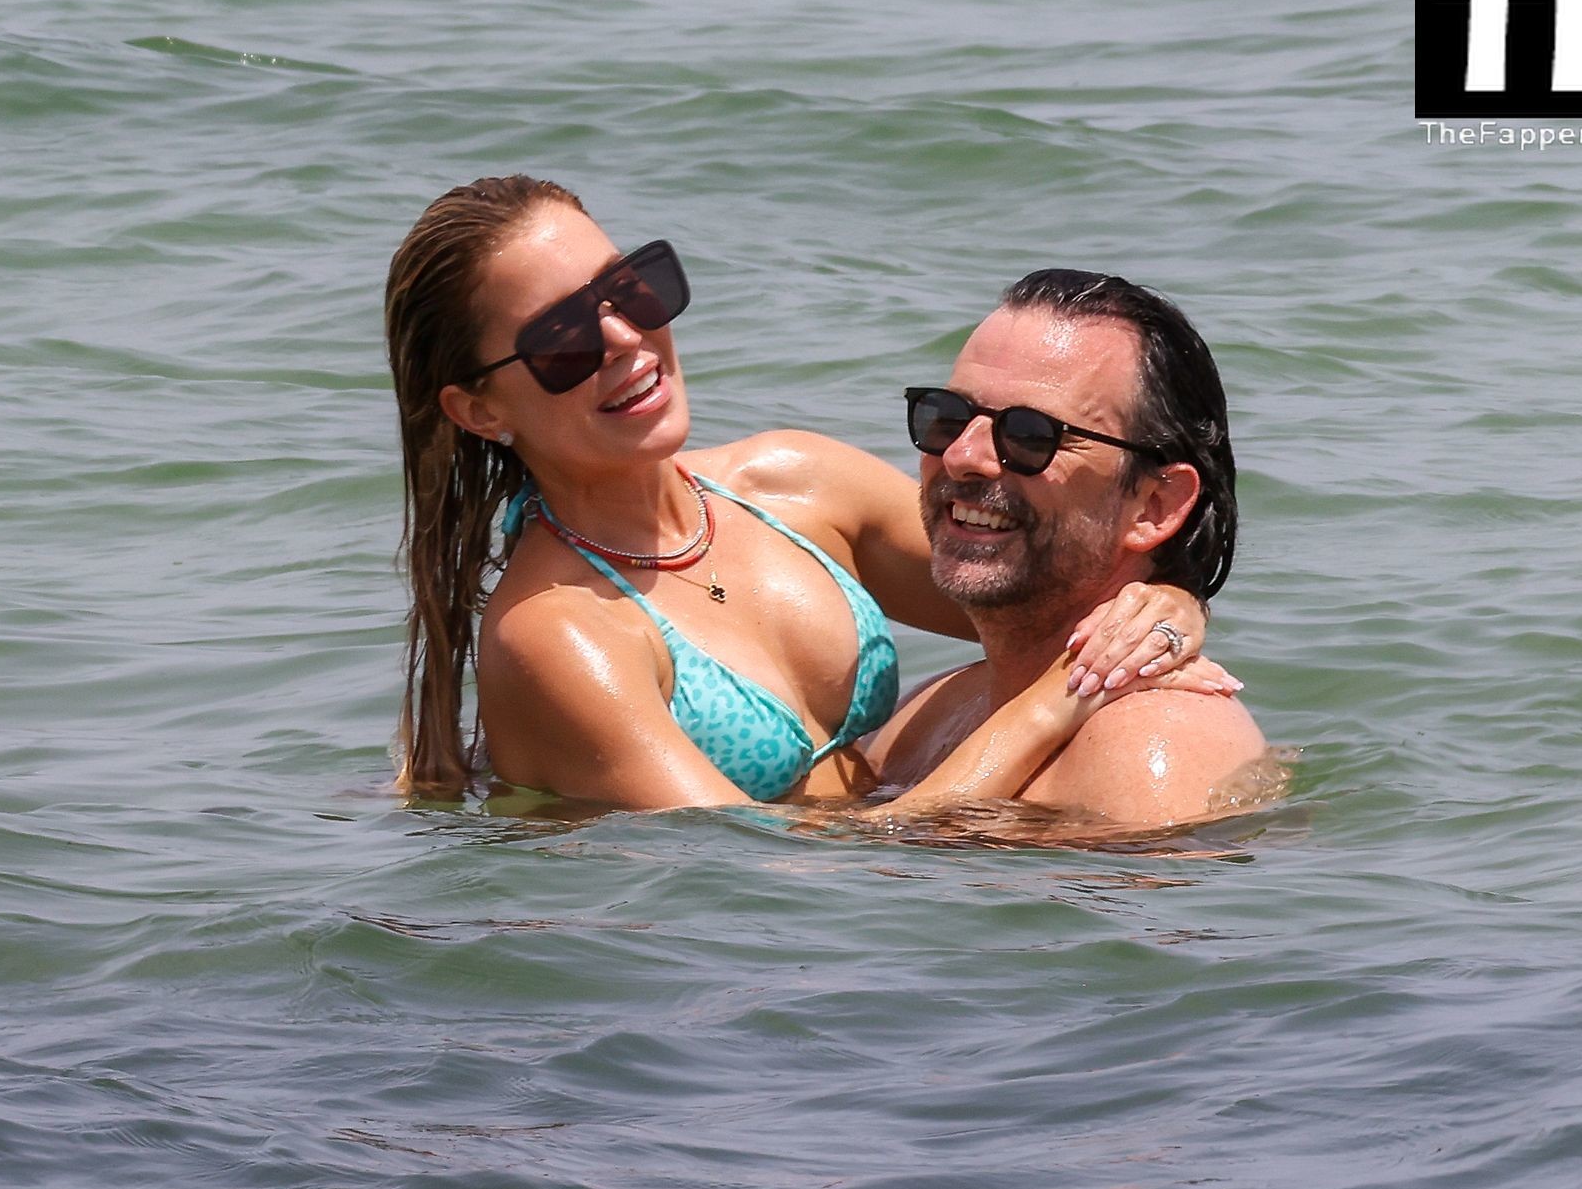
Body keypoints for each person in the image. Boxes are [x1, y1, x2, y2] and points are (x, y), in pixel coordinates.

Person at [384, 175, 1239, 807]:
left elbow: (1048, 576)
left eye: (630, 290)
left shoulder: (792, 485)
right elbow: (747, 874)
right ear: (480, 409)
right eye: (563, 338)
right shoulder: (557, 633)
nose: (626, 339)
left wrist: (1169, 601)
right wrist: (1062, 701)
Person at [866, 270, 1269, 828]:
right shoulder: (935, 710)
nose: (962, 456)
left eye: (1031, 436)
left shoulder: (1151, 747)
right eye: (948, 416)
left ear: (1155, 505)